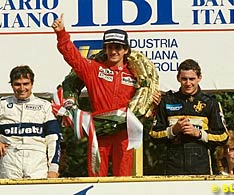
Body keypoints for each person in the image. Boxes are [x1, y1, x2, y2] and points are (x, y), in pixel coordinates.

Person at [52, 14, 160, 177]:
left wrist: (153, 103)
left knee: (123, 177)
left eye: (118, 47)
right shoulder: (94, 69)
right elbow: (73, 57)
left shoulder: (136, 74)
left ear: (126, 50)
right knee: (96, 177)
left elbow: (145, 99)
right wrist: (62, 34)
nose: (113, 51)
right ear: (105, 49)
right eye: (110, 47)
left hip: (125, 131)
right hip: (98, 130)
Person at [0, 65, 62, 179]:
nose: (22, 88)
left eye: (26, 83)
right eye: (17, 84)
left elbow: (53, 139)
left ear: (32, 84)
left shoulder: (44, 106)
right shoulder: (1, 105)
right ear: (12, 85)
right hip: (9, 163)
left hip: (37, 165)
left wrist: (53, 169)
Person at [149, 59, 229, 175]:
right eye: (184, 79)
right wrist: (173, 130)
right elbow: (153, 135)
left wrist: (199, 133)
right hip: (173, 163)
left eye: (191, 79)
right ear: (178, 78)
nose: (188, 83)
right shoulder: (167, 100)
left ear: (199, 78)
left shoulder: (210, 103)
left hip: (201, 164)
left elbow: (223, 137)